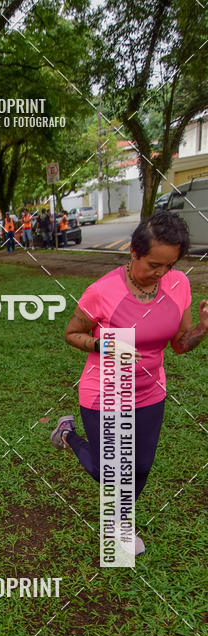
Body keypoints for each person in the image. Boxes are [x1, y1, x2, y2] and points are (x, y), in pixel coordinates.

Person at [51, 211, 208, 555]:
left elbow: (179, 345)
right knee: (110, 473)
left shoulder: (178, 284)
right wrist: (104, 344)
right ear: (134, 252)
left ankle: (121, 525)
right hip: (105, 391)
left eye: (169, 265)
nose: (161, 274)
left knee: (140, 466)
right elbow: (72, 333)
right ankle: (67, 434)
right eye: (154, 264)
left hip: (151, 392)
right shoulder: (102, 291)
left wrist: (200, 330)